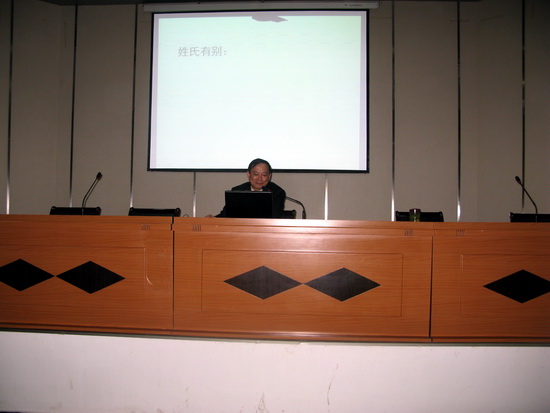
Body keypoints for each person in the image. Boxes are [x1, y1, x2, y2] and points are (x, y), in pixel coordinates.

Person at [215, 158, 286, 218]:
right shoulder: (238, 191)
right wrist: (212, 219)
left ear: (269, 176)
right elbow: (225, 215)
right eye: (256, 174)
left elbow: (274, 217)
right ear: (248, 175)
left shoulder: (277, 193)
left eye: (264, 175)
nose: (260, 179)